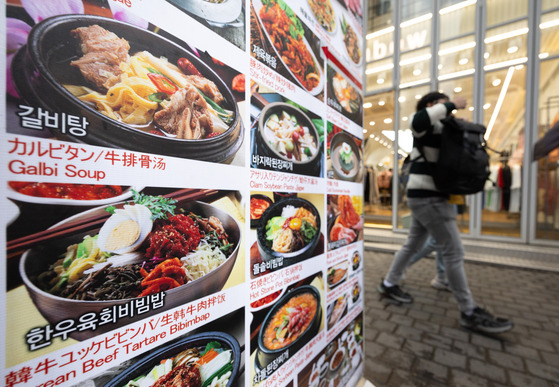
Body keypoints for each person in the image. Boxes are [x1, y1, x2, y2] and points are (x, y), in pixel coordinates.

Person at [378, 92, 514, 334]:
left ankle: (389, 283)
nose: (450, 107)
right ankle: (469, 311)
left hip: (428, 196)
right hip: (428, 197)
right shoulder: (424, 124)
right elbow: (418, 120)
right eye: (443, 102)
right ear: (431, 104)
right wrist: (452, 104)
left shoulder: (442, 127)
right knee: (454, 251)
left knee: (412, 244)